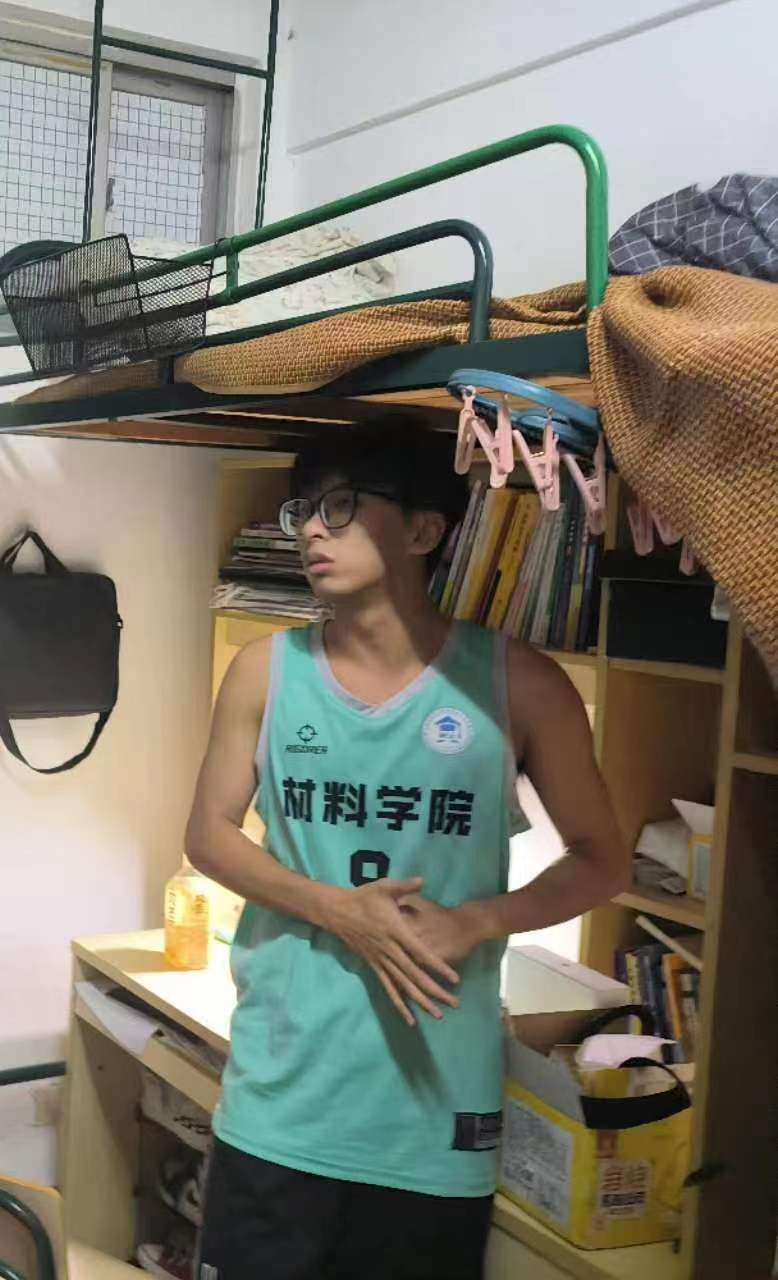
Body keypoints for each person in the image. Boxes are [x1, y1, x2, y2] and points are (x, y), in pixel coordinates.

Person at [184, 419, 628, 1280]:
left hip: (435, 1118)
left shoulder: (520, 683)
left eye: (342, 507)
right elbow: (207, 834)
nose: (311, 530)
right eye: (304, 511)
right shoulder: (265, 671)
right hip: (280, 1104)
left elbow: (601, 859)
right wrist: (336, 911)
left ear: (424, 530)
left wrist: (475, 922)